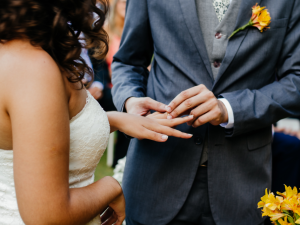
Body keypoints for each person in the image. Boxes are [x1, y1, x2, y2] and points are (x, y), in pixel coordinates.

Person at [0, 0, 194, 224]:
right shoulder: (33, 68)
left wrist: (114, 120)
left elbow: (38, 133)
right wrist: (110, 187)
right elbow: (48, 215)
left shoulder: (19, 50)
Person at [111, 0, 300, 225]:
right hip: (156, 175)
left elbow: (296, 82)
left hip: (241, 186)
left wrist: (229, 108)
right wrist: (131, 101)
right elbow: (127, 62)